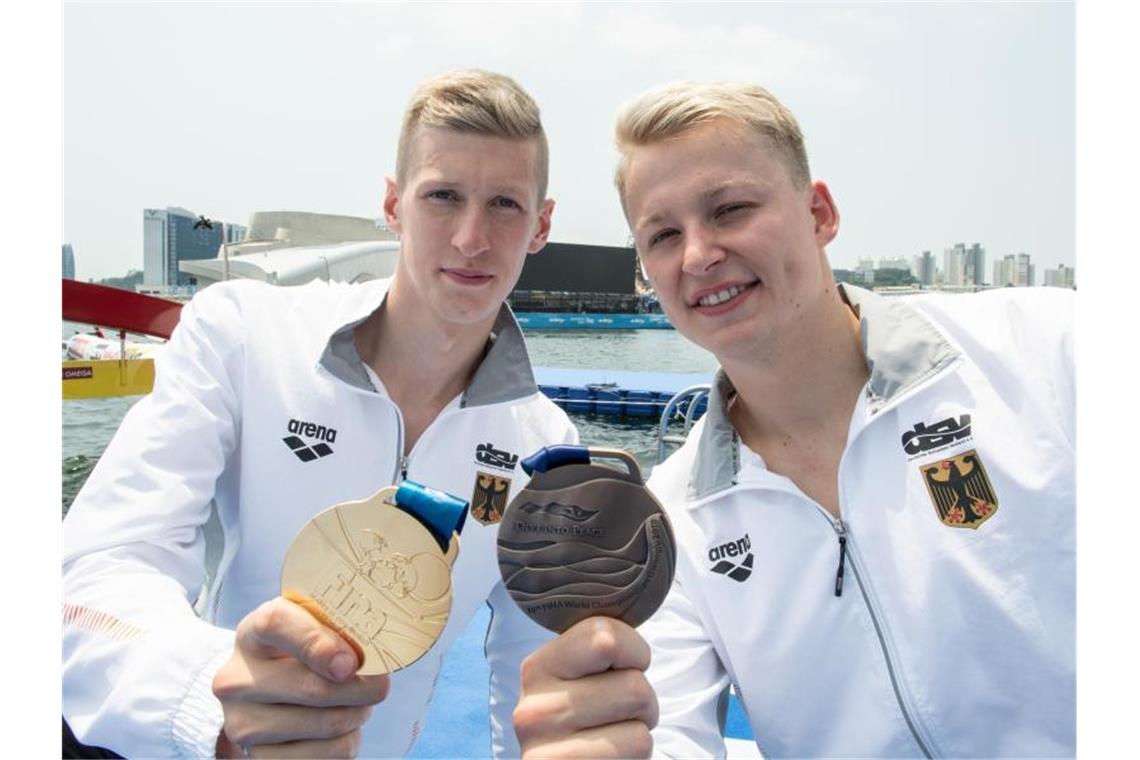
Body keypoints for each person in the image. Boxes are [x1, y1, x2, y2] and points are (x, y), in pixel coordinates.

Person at [512, 81, 1074, 758]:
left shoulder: (1046, 352)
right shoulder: (671, 521)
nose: (697, 255)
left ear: (819, 213)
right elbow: (672, 732)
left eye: (730, 209)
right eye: (662, 235)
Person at [62, 69, 576, 759]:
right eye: (443, 197)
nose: (470, 239)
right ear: (394, 205)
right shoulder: (246, 336)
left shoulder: (543, 443)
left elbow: (536, 674)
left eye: (505, 204)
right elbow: (100, 569)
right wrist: (210, 697)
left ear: (541, 224)